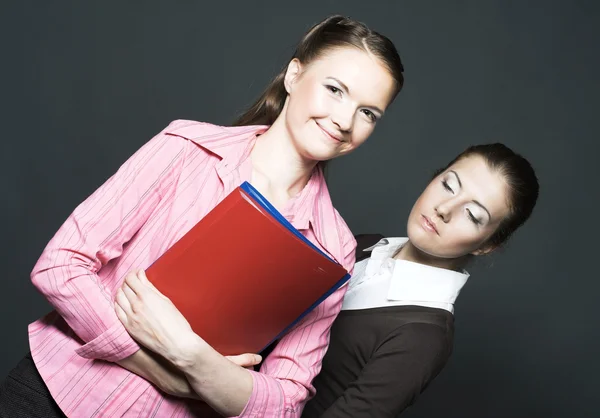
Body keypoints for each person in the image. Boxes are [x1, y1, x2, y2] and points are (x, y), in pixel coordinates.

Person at [0, 15, 404, 418]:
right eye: (334, 90)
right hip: (49, 396)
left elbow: (284, 403)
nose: (345, 121)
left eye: (368, 112)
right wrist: (158, 369)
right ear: (294, 76)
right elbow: (60, 266)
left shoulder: (334, 250)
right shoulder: (188, 148)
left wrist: (191, 356)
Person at [301, 143, 540, 417]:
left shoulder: (424, 336)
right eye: (449, 185)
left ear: (486, 245)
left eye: (472, 215)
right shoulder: (364, 245)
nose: (444, 208)